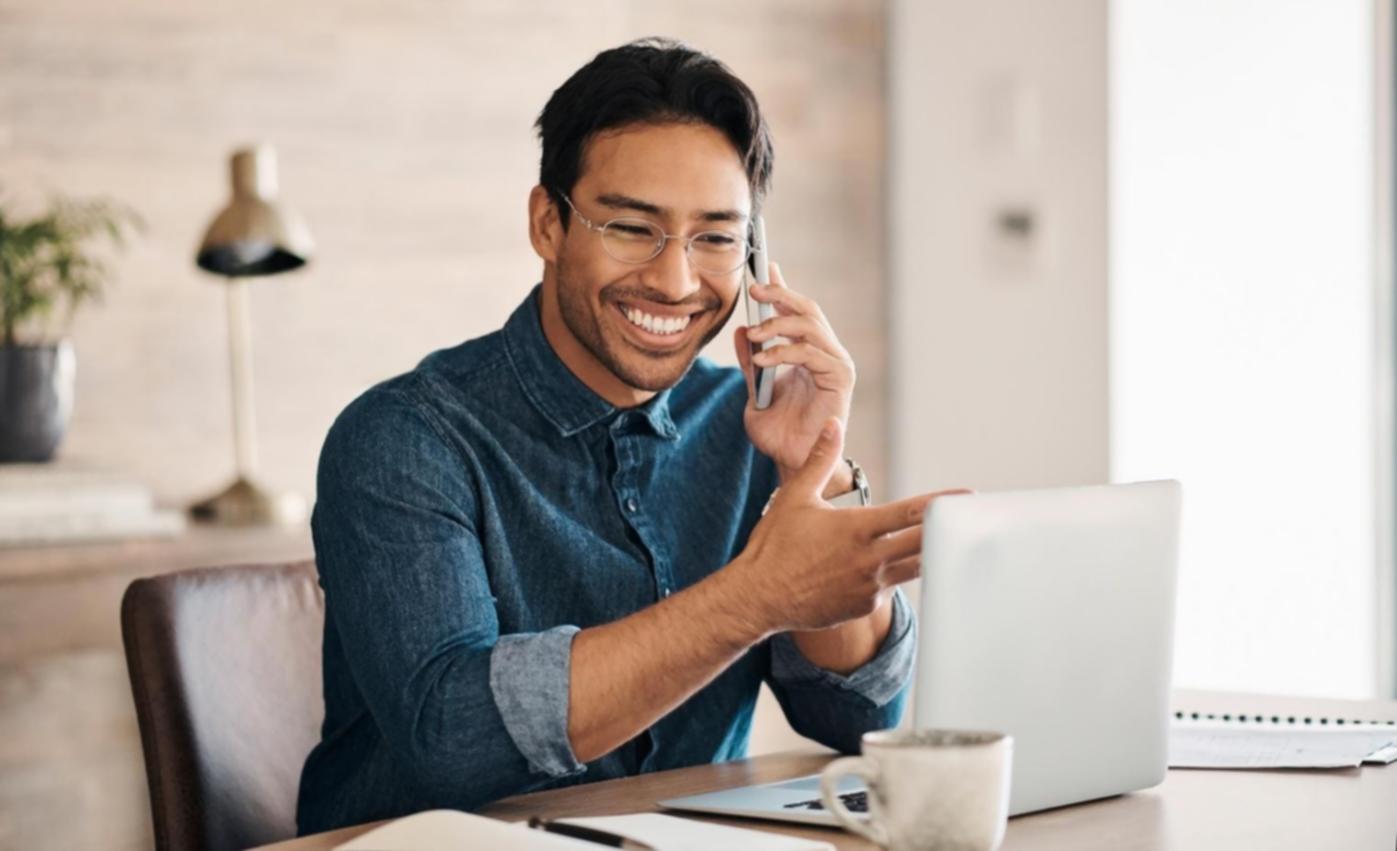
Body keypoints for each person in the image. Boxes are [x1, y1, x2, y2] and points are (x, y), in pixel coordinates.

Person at [296, 36, 963, 835]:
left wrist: (808, 475)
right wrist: (754, 594)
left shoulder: (749, 421)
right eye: (630, 227)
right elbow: (454, 736)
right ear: (548, 223)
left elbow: (855, 719)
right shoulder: (404, 440)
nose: (675, 281)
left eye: (715, 238)